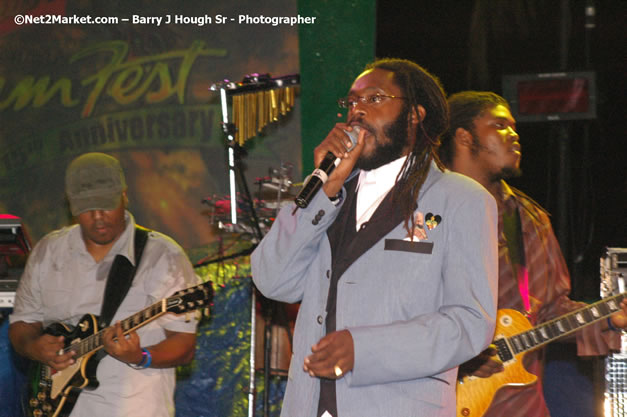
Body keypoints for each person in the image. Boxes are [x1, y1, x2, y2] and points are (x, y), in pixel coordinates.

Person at [251, 58, 499, 417]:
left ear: (414, 115)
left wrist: (364, 349)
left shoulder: (462, 200)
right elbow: (273, 281)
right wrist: (326, 189)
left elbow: (470, 323)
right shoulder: (325, 191)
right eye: (351, 102)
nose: (357, 112)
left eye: (373, 99)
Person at [439, 91, 627, 417]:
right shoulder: (421, 211)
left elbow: (552, 311)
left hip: (519, 406)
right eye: (499, 125)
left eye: (514, 127)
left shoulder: (529, 219)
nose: (514, 135)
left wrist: (609, 318)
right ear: (464, 136)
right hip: (435, 400)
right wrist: (455, 354)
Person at [9, 152, 199, 417]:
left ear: (124, 195)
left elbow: (184, 345)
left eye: (106, 205)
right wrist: (34, 347)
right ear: (70, 204)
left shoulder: (164, 256)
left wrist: (140, 356)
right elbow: (22, 324)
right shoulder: (48, 252)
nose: (98, 217)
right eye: (86, 208)